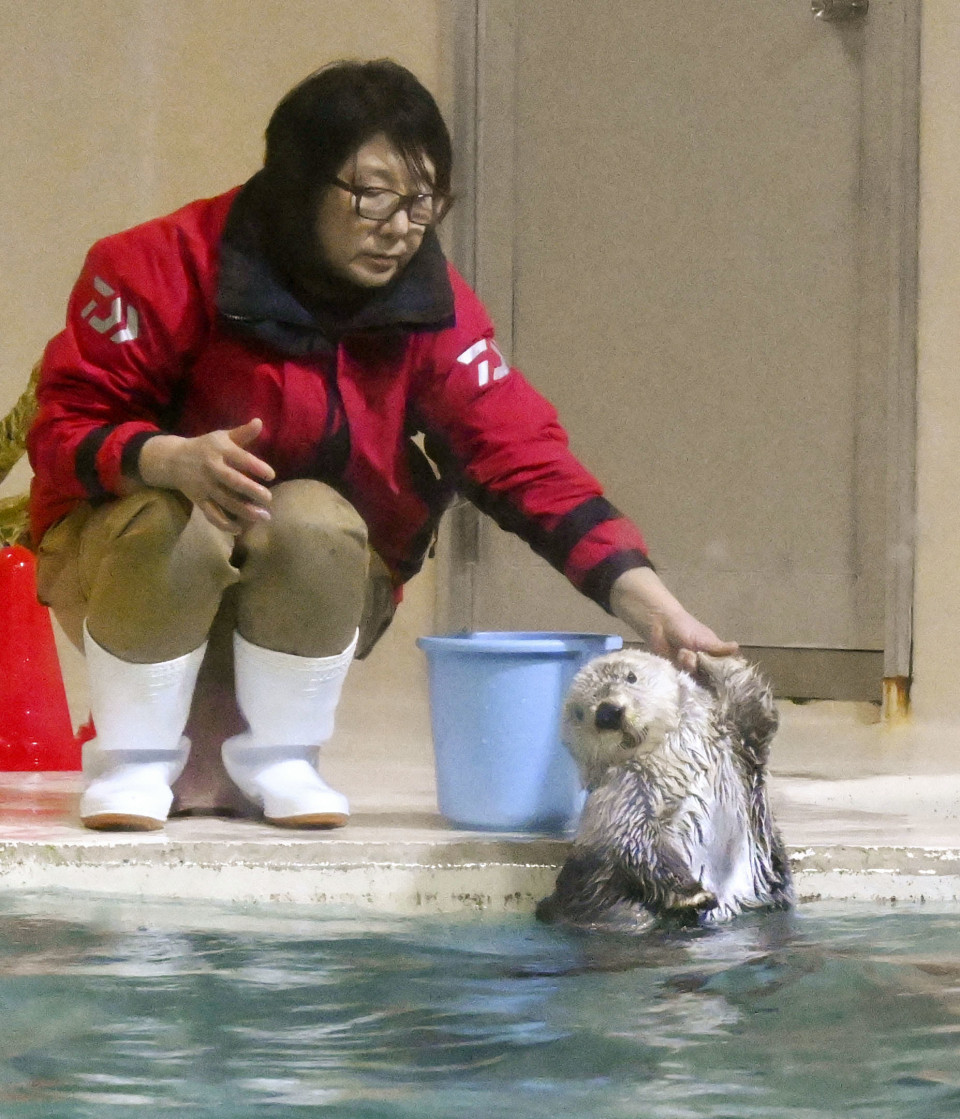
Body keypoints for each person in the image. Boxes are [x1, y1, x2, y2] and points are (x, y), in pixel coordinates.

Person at [27, 59, 736, 834]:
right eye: (371, 197)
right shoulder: (157, 264)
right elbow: (62, 430)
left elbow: (525, 457)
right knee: (172, 518)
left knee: (313, 518)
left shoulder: (430, 307)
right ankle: (132, 761)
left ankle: (284, 757)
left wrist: (653, 604)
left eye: (422, 199)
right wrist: (166, 458)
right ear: (297, 185)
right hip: (136, 572)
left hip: (310, 591)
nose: (401, 227)